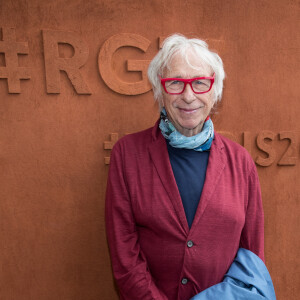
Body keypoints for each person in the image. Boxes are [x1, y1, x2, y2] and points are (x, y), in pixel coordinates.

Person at [105, 34, 265, 300]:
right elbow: (124, 255)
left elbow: (252, 258)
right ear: (160, 90)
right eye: (175, 83)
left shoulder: (241, 161)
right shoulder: (127, 154)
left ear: (215, 91)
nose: (188, 96)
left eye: (200, 83)